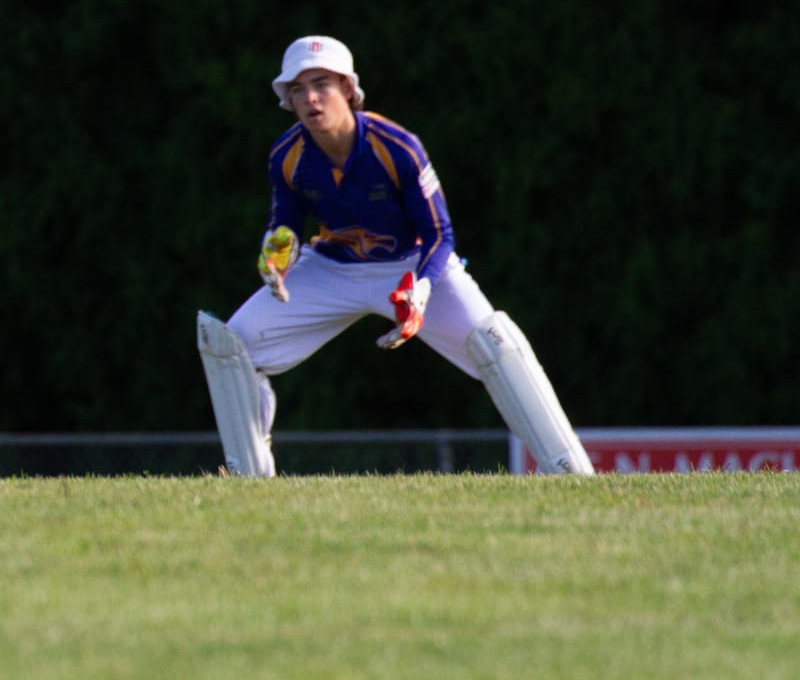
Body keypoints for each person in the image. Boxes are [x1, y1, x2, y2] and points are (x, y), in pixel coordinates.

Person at [196, 35, 594, 477]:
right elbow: (285, 221)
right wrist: (275, 258)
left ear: (348, 88)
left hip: (411, 267)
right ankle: (249, 479)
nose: (310, 98)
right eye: (297, 89)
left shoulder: (397, 145)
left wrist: (420, 292)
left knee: (494, 342)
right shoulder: (286, 154)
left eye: (321, 83)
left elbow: (439, 233)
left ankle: (568, 469)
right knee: (230, 345)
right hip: (332, 267)